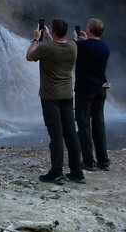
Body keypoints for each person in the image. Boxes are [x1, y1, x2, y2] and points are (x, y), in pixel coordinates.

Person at [26, 17, 85, 185]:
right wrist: (50, 38)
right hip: (67, 95)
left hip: (50, 96)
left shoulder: (47, 48)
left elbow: (29, 56)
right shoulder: (73, 46)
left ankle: (56, 173)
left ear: (52, 31)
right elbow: (59, 45)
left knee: (56, 135)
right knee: (71, 134)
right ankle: (77, 173)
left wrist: (36, 38)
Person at [74, 18, 111, 171]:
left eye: (87, 26)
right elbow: (91, 48)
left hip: (85, 89)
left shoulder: (80, 46)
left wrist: (76, 40)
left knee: (83, 124)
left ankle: (88, 161)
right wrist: (83, 41)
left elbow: (73, 52)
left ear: (89, 29)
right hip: (101, 88)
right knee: (98, 123)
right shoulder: (105, 47)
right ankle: (104, 161)